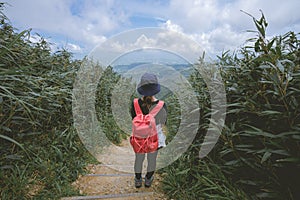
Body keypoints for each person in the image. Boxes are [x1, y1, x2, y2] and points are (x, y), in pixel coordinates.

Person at [130, 73, 167, 188]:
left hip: (139, 138)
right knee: (152, 160)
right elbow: (163, 123)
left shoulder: (135, 103)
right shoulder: (161, 105)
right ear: (156, 90)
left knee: (139, 159)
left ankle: (137, 179)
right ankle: (148, 179)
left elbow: (133, 118)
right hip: (154, 138)